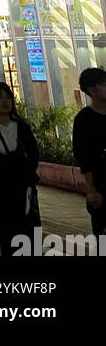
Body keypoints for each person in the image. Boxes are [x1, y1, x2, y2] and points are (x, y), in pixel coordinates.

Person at [0, 81, 41, 257]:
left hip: (24, 187)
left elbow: (33, 154)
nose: (4, 101)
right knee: (8, 234)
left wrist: (11, 162)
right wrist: (17, 161)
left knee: (31, 231)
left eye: (8, 97)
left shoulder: (21, 126)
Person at [73, 67, 106, 242]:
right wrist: (91, 189)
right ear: (92, 90)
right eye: (104, 84)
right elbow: (84, 157)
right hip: (102, 186)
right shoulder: (84, 119)